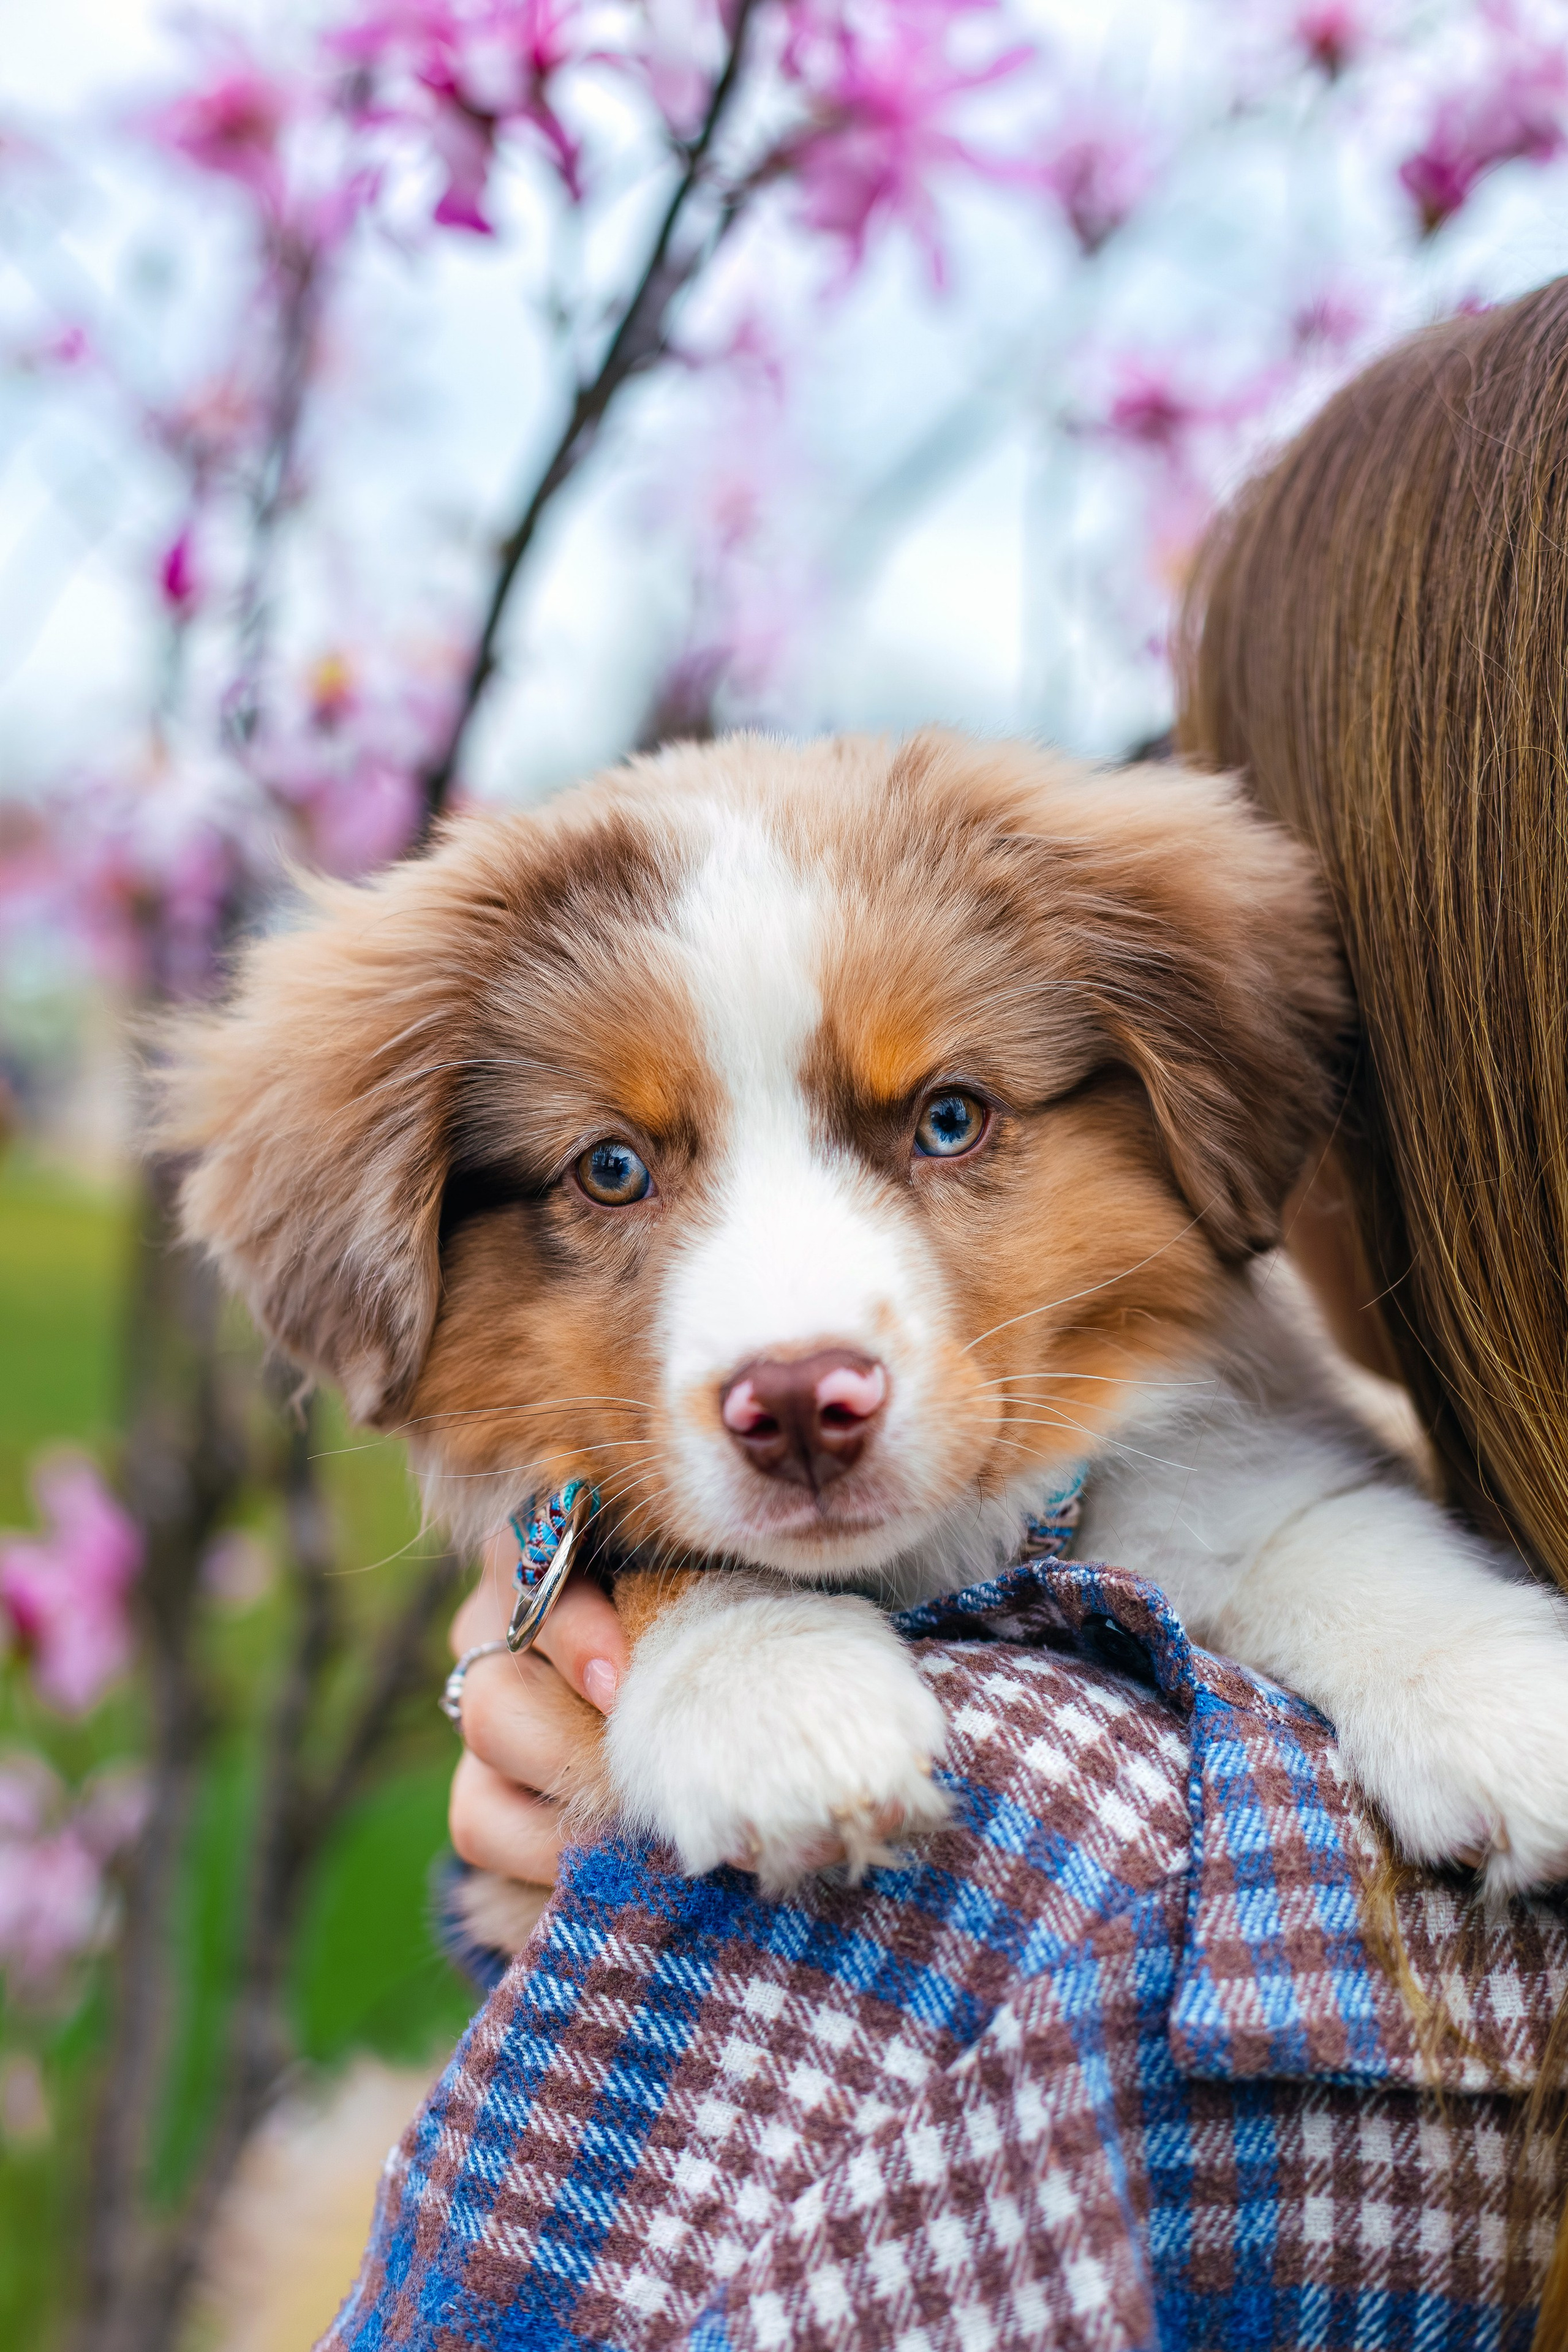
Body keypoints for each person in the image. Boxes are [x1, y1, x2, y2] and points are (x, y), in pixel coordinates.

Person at [322, 284, 1568, 2352]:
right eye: (612, 1172)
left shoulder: (1067, 1876)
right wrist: (683, 1649)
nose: (797, 1349)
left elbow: (1258, 1524)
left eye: (951, 1117)